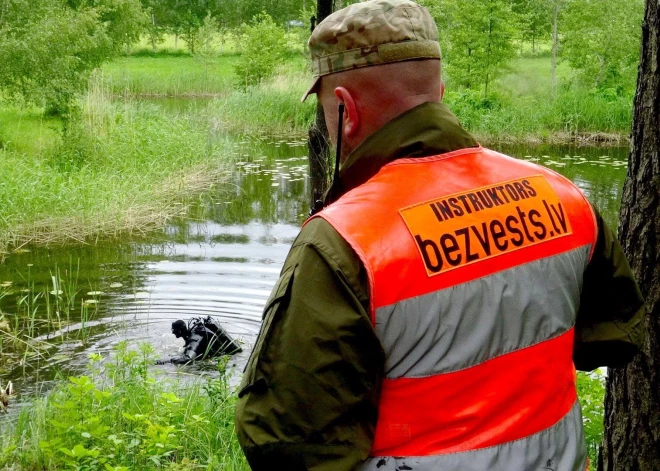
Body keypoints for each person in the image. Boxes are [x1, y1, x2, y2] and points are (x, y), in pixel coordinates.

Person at [234, 0, 645, 469]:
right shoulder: (562, 197)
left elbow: (290, 443)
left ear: (345, 110)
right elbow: (614, 337)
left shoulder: (342, 243)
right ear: (440, 91)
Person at [158, 316, 241, 365]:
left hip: (225, 356)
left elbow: (188, 359)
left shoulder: (195, 337)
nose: (173, 333)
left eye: (174, 330)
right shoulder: (191, 334)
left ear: (180, 330)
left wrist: (166, 361)